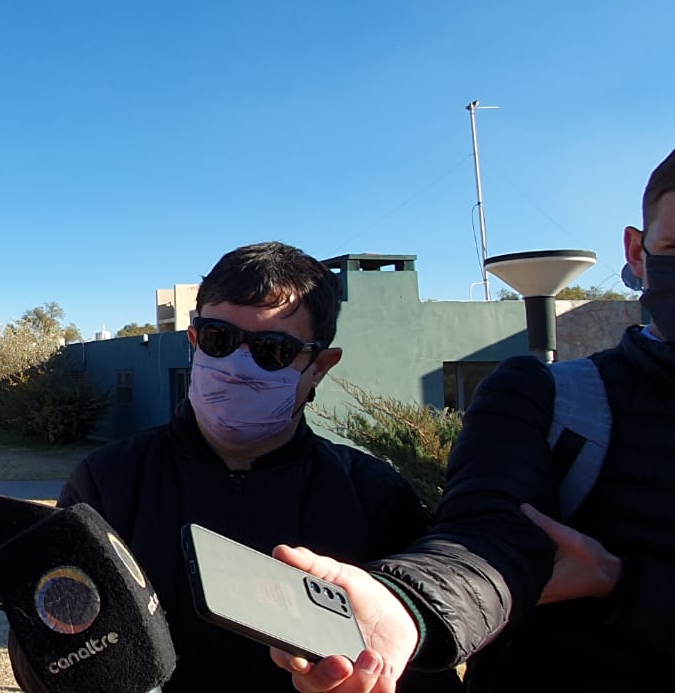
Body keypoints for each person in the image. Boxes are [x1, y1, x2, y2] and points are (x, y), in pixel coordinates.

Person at [272, 149, 675, 693]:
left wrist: (623, 585)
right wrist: (404, 605)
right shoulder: (544, 397)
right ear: (637, 251)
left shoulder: (364, 482)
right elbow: (486, 540)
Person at [45, 242, 460, 691]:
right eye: (218, 338)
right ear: (194, 342)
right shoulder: (107, 480)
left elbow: (418, 672)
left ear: (320, 366)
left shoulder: (375, 495)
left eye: (272, 349)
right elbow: (55, 656)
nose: (237, 365)